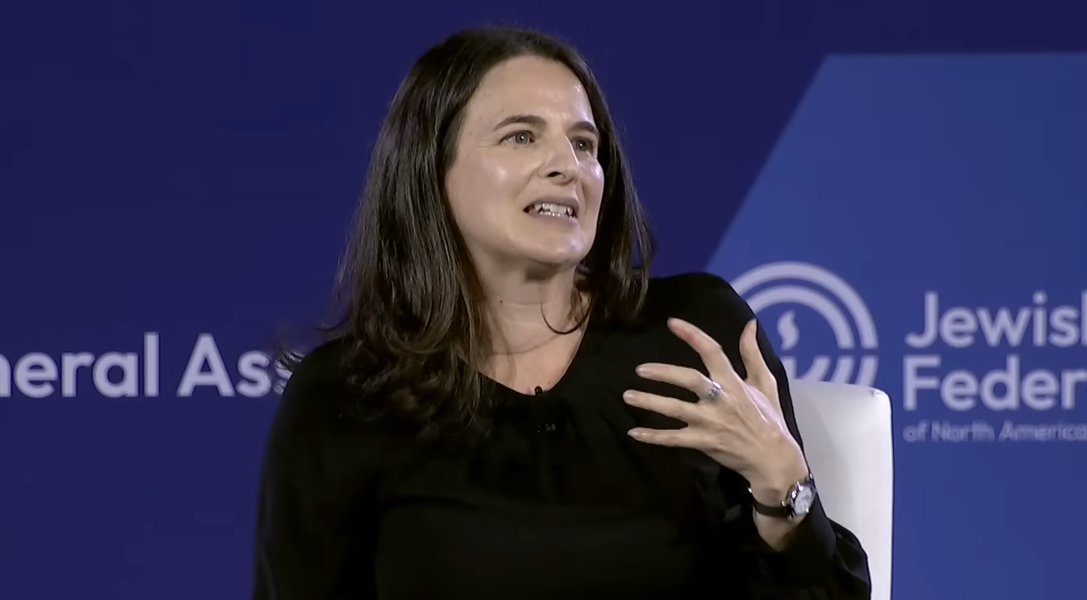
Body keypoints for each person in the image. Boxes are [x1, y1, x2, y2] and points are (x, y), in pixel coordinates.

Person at [252, 24, 871, 600]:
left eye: (584, 144)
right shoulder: (345, 394)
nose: (567, 167)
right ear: (432, 168)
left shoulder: (693, 332)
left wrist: (783, 487)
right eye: (521, 136)